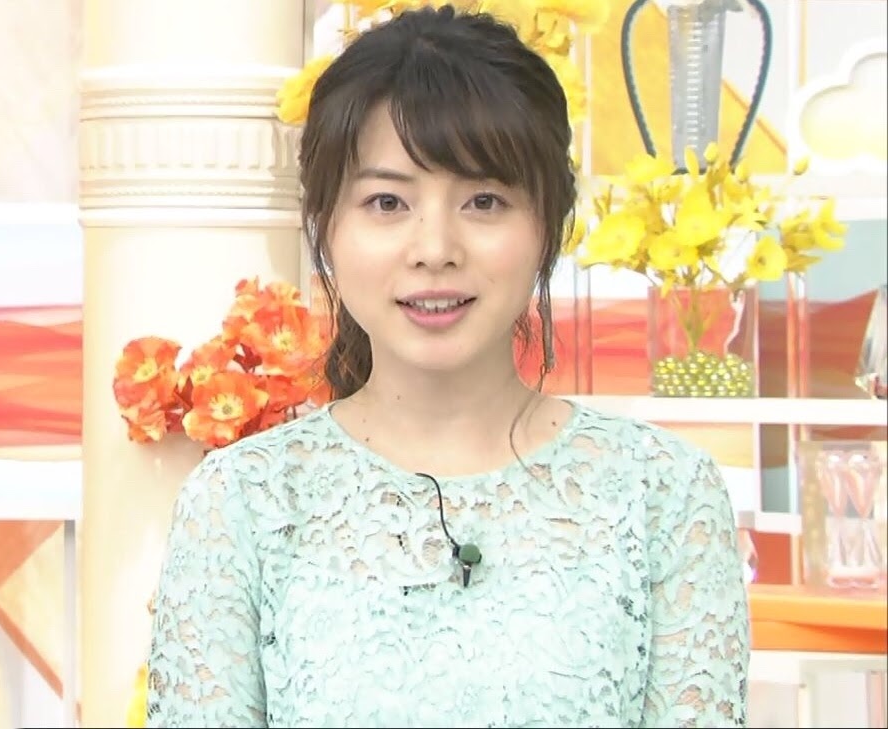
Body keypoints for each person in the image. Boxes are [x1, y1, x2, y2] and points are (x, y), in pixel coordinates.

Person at [144, 6, 751, 727]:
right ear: (325, 227)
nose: (434, 248)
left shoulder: (665, 496)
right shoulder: (242, 503)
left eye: (484, 200)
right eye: (387, 202)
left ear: (549, 226)